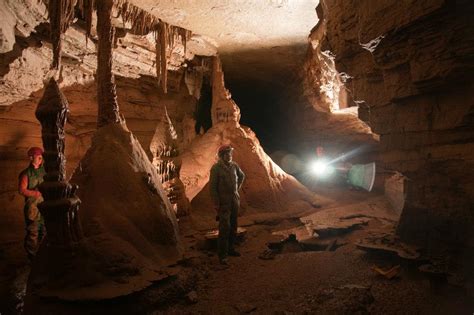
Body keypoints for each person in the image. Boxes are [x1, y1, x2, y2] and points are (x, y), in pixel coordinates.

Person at [209, 144, 245, 265]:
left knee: (233, 226)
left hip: (234, 200)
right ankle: (222, 255)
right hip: (223, 203)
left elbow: (242, 176)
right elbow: (213, 188)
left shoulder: (234, 166)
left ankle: (231, 249)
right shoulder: (216, 168)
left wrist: (236, 189)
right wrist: (216, 204)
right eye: (227, 154)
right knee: (225, 228)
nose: (230, 155)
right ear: (222, 155)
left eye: (230, 153)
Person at [18, 147, 46, 261]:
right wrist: (36, 193)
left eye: (41, 156)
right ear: (31, 158)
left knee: (44, 231)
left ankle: (43, 257)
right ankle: (33, 258)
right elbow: (22, 190)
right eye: (37, 156)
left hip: (44, 207)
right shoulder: (26, 174)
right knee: (33, 233)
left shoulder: (44, 171)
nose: (40, 158)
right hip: (32, 208)